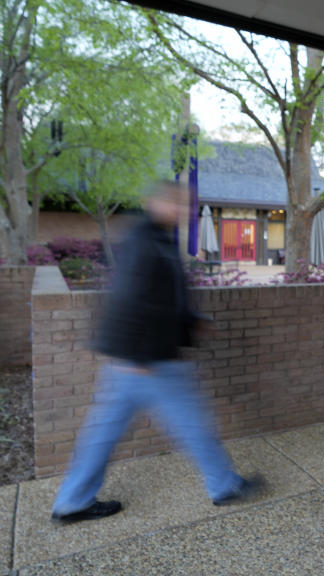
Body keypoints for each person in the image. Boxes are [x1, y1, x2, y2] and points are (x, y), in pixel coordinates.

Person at [51, 180, 262, 523]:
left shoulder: (158, 237)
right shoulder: (144, 239)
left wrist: (192, 320)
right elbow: (129, 296)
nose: (184, 211)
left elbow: (164, 294)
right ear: (155, 202)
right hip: (149, 360)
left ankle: (72, 501)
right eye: (176, 203)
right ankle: (224, 486)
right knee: (193, 424)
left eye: (186, 205)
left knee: (103, 432)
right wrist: (137, 356)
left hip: (136, 359)